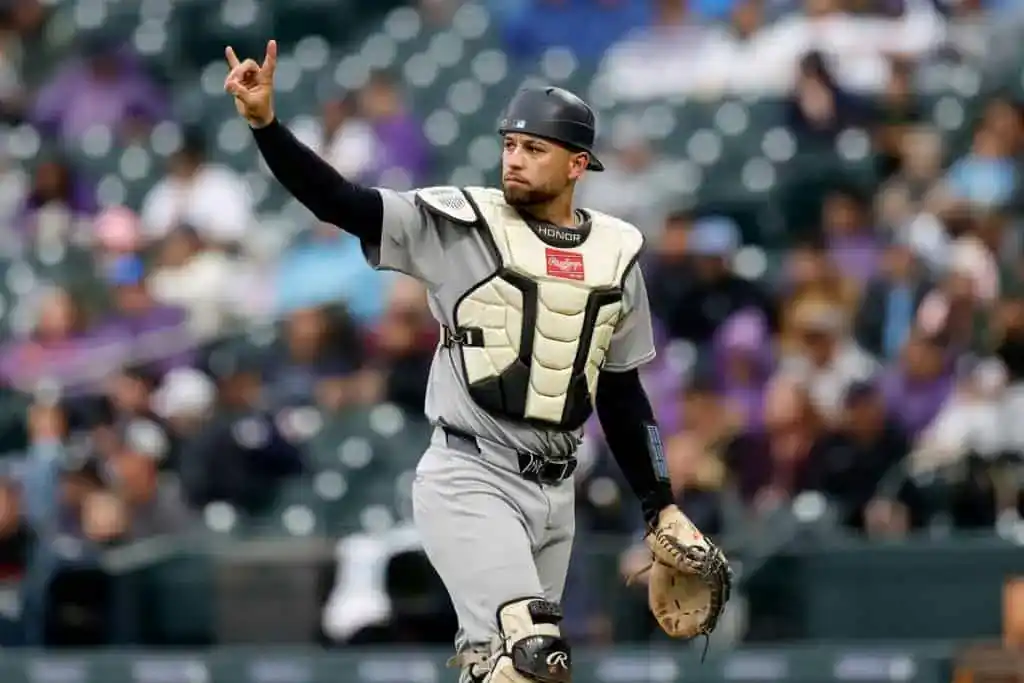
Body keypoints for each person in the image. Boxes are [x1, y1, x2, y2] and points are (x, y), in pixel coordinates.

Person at [223, 40, 729, 683]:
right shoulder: (459, 224)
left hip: (556, 491)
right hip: (471, 477)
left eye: (533, 149)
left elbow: (621, 389)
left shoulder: (615, 252)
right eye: (509, 145)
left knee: (497, 670)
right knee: (535, 654)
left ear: (578, 165)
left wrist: (660, 504)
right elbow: (340, 202)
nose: (513, 160)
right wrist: (267, 126)